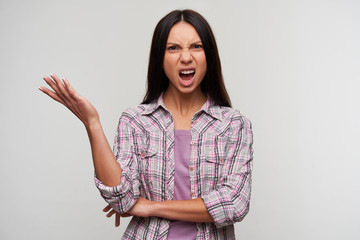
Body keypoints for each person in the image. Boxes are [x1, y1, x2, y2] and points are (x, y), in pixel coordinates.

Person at [39, 9, 253, 240]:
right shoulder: (136, 121)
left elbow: (234, 203)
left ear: (209, 56)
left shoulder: (233, 125)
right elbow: (121, 198)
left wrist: (150, 206)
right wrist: (92, 124)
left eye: (196, 46)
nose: (186, 57)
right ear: (159, 59)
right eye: (173, 48)